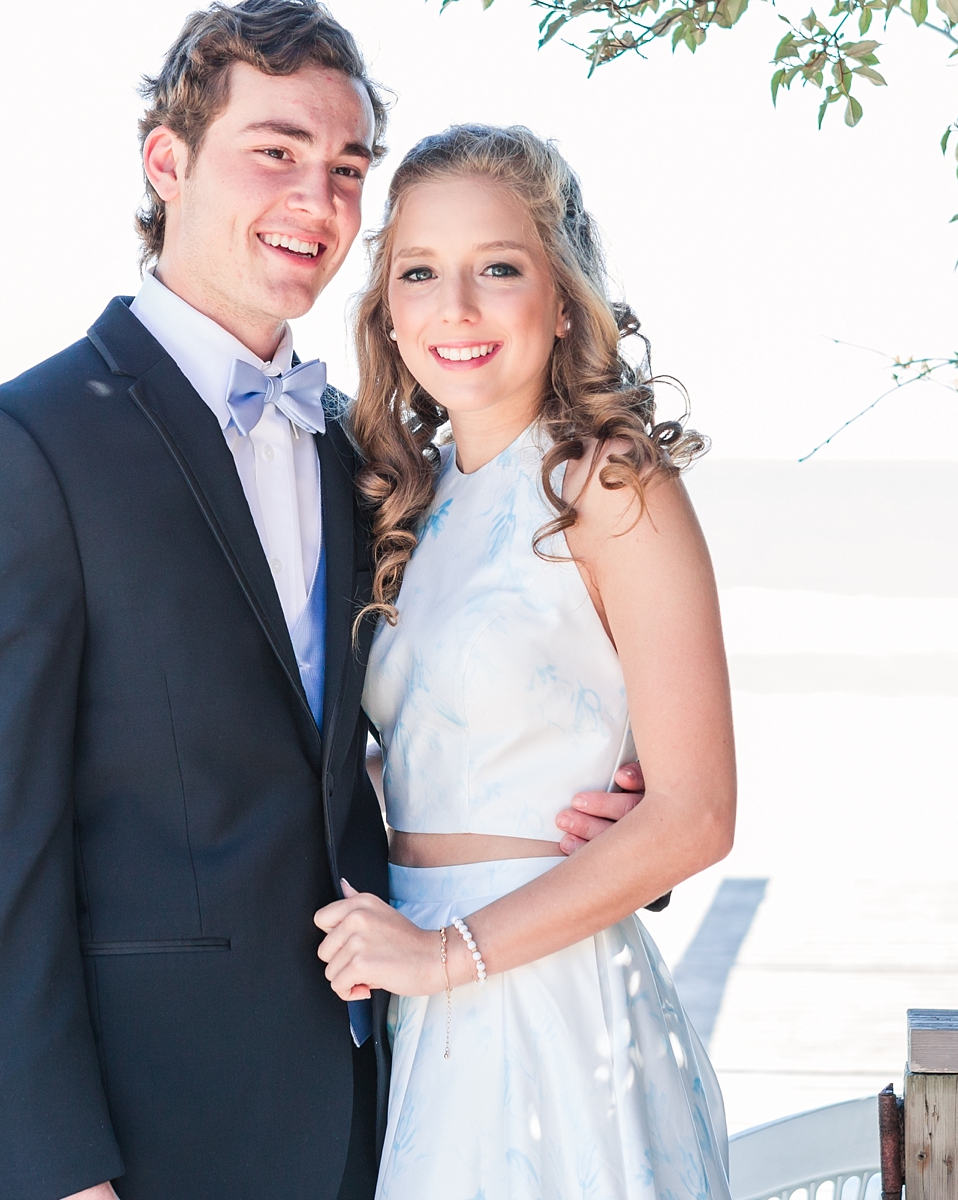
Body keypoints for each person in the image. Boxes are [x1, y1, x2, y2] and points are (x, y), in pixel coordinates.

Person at [0, 7, 641, 1199]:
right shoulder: (22, 447)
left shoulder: (365, 456)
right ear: (167, 162)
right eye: (277, 151)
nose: (319, 196)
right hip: (129, 1147)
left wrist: (617, 820)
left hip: (367, 1118)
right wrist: (54, 1174)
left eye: (347, 169)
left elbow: (469, 696)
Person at [314, 124, 739, 1199]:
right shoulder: (408, 497)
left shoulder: (610, 483)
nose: (455, 308)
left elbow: (696, 813)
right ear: (389, 312)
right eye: (420, 273)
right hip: (413, 986)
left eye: (497, 268)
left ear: (562, 300)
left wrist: (448, 954)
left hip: (537, 992)